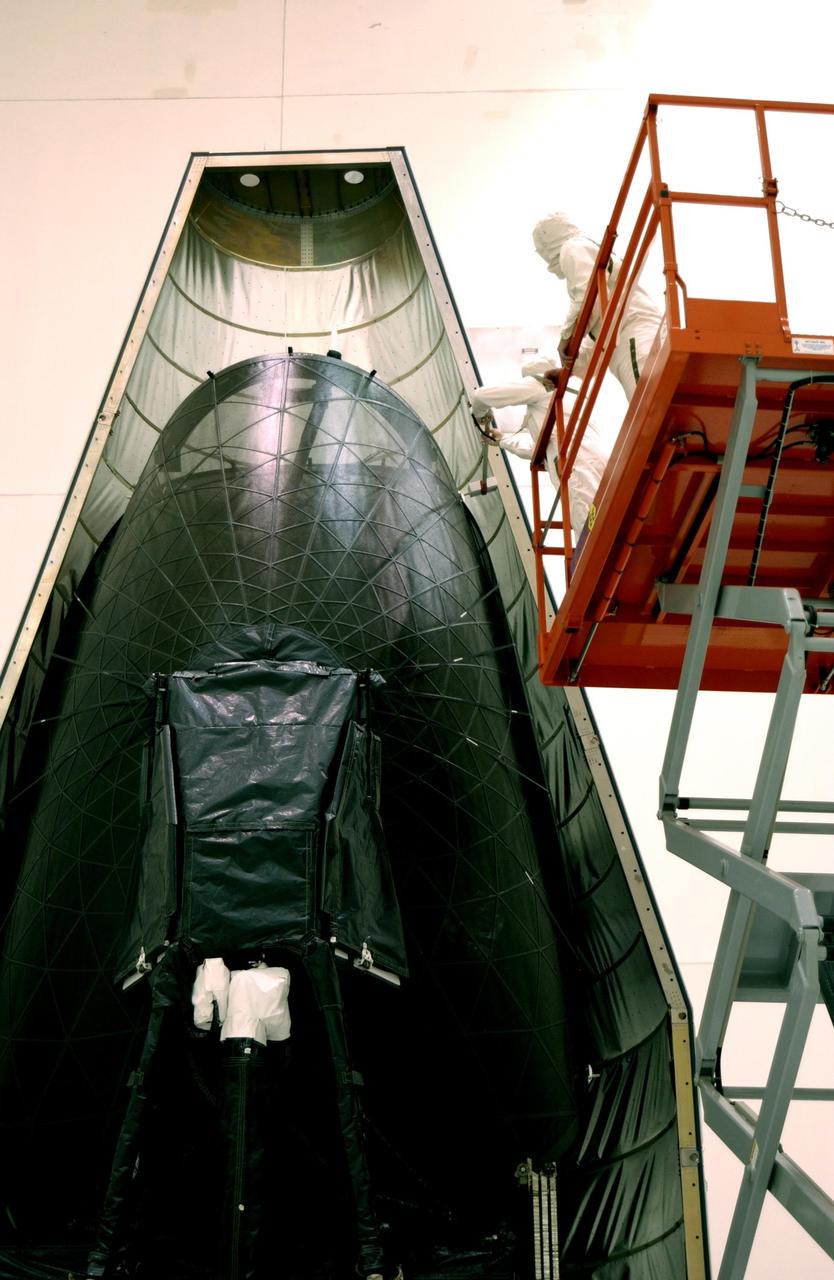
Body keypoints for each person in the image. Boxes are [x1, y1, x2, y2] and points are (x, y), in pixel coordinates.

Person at [471, 357, 607, 540]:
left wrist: (479, 414)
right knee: (598, 515)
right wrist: (503, 440)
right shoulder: (567, 397)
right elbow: (539, 449)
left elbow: (480, 396)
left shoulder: (541, 385)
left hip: (573, 462)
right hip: (594, 458)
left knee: (586, 523)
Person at [532, 212, 663, 400]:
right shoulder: (587, 253)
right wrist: (570, 369)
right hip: (627, 336)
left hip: (632, 334)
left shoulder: (572, 247)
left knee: (648, 405)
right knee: (648, 408)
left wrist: (566, 336)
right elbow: (597, 338)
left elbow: (587, 295)